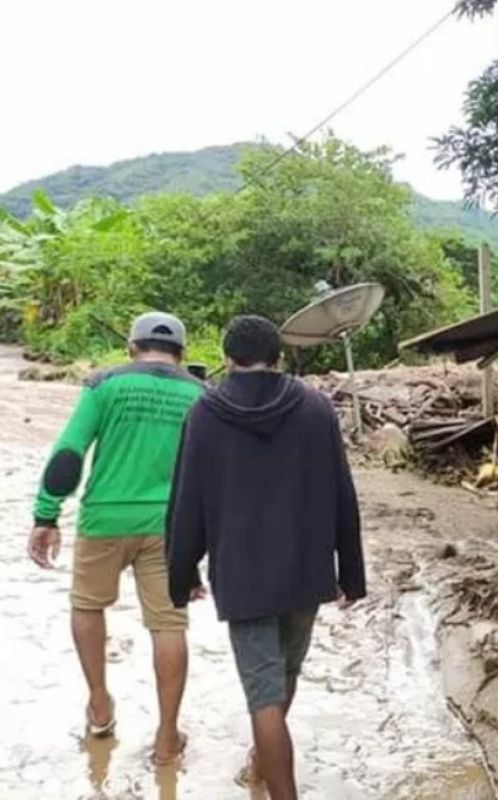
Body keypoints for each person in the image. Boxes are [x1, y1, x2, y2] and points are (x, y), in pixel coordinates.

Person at [167, 314, 365, 799]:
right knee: (282, 679)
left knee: (263, 695)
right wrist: (352, 574)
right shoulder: (317, 407)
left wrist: (182, 572)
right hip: (306, 569)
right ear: (278, 357)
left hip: (245, 574)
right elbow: (343, 493)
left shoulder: (206, 412)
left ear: (227, 358)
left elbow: (187, 499)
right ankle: (260, 767)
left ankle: (277, 786)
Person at [27, 311, 204, 764]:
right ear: (181, 354)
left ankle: (100, 706)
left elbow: (69, 453)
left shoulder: (104, 386)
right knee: (169, 626)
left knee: (87, 606)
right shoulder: (200, 395)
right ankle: (167, 738)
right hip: (169, 526)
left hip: (104, 520)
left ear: (132, 347)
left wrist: (46, 515)